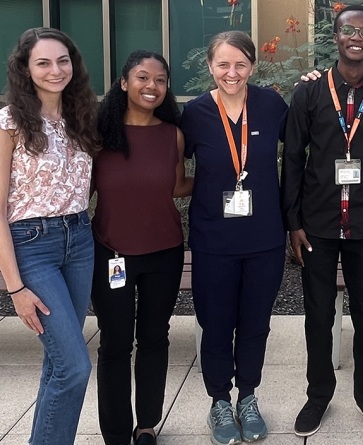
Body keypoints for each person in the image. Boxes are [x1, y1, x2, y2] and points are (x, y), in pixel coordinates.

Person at [281, 4, 363, 437]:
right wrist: (292, 221)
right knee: (317, 314)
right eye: (348, 29)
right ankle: (318, 396)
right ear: (335, 36)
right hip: (317, 222)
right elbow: (293, 159)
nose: (356, 37)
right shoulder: (310, 93)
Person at [180, 31, 287, 445]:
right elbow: (171, 167)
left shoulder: (271, 105)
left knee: (256, 323)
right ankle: (219, 401)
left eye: (240, 64)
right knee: (217, 322)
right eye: (223, 64)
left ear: (253, 66)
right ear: (209, 66)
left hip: (264, 238)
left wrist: (316, 83)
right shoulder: (195, 114)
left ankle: (248, 396)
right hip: (213, 240)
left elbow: (305, 141)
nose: (232, 72)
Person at [0, 27, 99, 445]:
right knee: (75, 366)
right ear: (25, 68)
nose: (56, 70)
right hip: (31, 245)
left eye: (63, 60)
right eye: (43, 62)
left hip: (79, 239)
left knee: (59, 363)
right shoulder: (9, 121)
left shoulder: (81, 115)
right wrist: (15, 287)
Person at [91, 50, 192, 445]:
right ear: (123, 82)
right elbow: (83, 192)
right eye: (142, 77)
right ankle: (115, 433)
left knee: (154, 338)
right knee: (115, 343)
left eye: (160, 80)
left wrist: (222, 181)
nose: (152, 86)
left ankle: (147, 425)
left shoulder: (173, 134)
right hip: (112, 252)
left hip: (165, 252)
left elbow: (178, 186)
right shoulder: (99, 136)